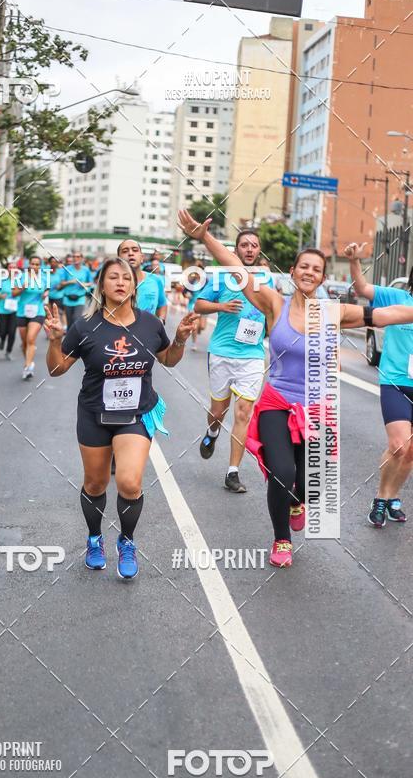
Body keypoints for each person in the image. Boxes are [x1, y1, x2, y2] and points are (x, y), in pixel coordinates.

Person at [179, 210, 413, 567]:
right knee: (282, 473)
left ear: (321, 278)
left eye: (316, 269)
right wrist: (205, 238)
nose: (308, 273)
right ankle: (281, 540)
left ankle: (295, 501)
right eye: (303, 266)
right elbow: (235, 267)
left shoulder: (333, 312)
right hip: (277, 401)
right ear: (292, 272)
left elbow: (383, 316)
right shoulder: (275, 303)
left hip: (316, 409)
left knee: (307, 485)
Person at [44, 257, 198, 580]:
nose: (120, 282)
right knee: (96, 483)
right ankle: (94, 538)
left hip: (136, 413)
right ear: (102, 285)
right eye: (112, 277)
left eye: (126, 278)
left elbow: (168, 360)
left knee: (129, 481)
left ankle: (127, 541)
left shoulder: (149, 324)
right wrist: (56, 341)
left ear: (133, 285)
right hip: (94, 413)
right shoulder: (86, 326)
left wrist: (181, 338)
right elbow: (57, 369)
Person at [187, 226, 267, 494]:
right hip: (222, 352)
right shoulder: (221, 278)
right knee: (218, 412)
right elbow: (198, 306)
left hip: (252, 356)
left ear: (259, 251)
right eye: (245, 245)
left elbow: (276, 313)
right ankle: (212, 433)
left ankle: (232, 472)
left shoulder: (265, 280)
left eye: (254, 245)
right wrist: (221, 306)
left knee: (243, 413)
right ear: (236, 250)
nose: (250, 249)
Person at [347, 243, 413, 527]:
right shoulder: (398, 297)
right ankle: (380, 498)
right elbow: (362, 289)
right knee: (399, 445)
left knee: (411, 452)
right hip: (396, 380)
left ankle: (393, 497)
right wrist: (355, 261)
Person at [13, 254, 50, 380]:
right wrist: (23, 287)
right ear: (28, 264)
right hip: (22, 312)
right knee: (24, 343)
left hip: (37, 311)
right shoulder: (21, 277)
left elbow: (47, 289)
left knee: (31, 339)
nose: (34, 266)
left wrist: (45, 293)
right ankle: (28, 362)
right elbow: (13, 293)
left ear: (40, 266)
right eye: (32, 264)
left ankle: (28, 366)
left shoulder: (44, 278)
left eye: (37, 264)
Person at [117, 240, 167, 321]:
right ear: (118, 260)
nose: (130, 253)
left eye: (135, 250)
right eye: (125, 251)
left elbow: (162, 304)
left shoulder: (156, 280)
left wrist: (161, 321)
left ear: (142, 258)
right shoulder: (112, 283)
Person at [59, 251, 93, 328]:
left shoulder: (86, 270)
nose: (75, 258)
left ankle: (77, 338)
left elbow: (91, 282)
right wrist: (70, 282)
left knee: (76, 319)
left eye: (78, 257)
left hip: (80, 299)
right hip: (68, 299)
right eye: (74, 256)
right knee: (69, 323)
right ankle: (69, 338)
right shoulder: (67, 269)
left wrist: (84, 284)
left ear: (82, 258)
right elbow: (62, 283)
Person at [0, 264, 18, 360]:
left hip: (15, 310)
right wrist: (0, 296)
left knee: (12, 332)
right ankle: (2, 339)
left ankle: (8, 351)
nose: (12, 269)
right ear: (7, 269)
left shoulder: (19, 281)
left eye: (14, 267)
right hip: (2, 310)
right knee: (2, 331)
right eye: (10, 267)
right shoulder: (2, 281)